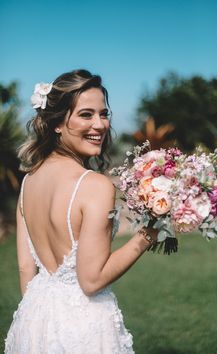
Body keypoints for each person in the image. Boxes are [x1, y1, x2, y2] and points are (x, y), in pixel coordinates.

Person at [4, 69, 158, 354]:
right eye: (86, 114)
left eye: (104, 113)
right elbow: (91, 280)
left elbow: (27, 268)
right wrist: (149, 234)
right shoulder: (95, 186)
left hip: (34, 318)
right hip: (84, 327)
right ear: (57, 123)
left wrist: (40, 322)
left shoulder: (28, 181)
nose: (99, 124)